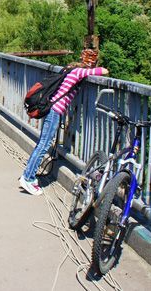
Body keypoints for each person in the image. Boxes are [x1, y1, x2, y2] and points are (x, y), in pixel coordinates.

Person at [19, 49, 109, 196]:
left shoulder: (70, 69)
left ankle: (29, 175)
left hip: (53, 109)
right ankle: (27, 178)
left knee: (42, 143)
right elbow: (103, 71)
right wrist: (95, 67)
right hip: (55, 111)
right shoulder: (79, 72)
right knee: (44, 144)